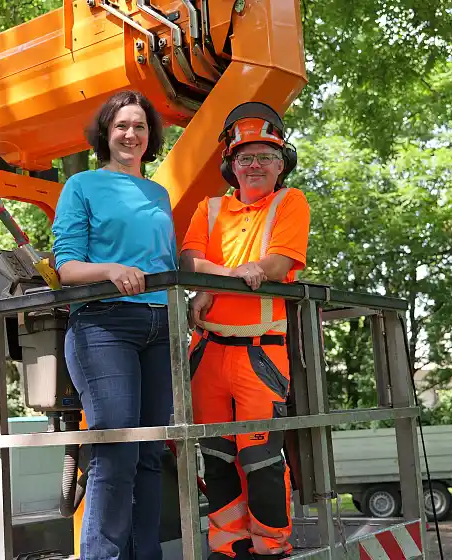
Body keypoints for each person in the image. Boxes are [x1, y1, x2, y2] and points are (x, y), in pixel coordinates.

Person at [180, 102, 310, 559]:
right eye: (246, 158)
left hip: (261, 352)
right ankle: (227, 547)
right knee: (215, 456)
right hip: (208, 351)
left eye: (266, 157)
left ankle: (271, 547)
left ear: (281, 165)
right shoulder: (209, 207)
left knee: (261, 460)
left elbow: (276, 264)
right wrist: (234, 274)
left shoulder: (289, 202)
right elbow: (190, 261)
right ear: (231, 165)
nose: (255, 166)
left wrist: (217, 280)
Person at [52, 90, 176, 560]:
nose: (131, 134)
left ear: (150, 136)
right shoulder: (82, 185)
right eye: (122, 125)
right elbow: (66, 267)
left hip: (161, 325)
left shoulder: (159, 192)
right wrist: (109, 270)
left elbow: (163, 260)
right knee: (118, 449)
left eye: (140, 126)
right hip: (105, 325)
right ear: (106, 133)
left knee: (150, 454)